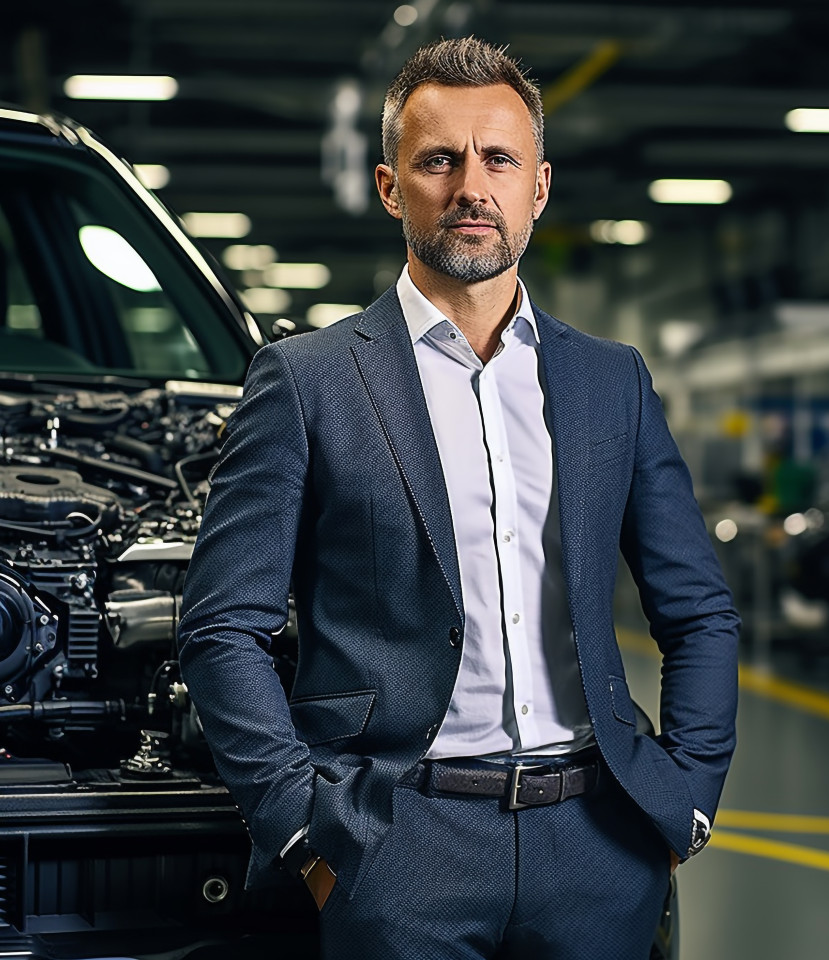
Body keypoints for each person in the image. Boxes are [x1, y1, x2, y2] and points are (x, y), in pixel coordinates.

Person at [178, 36, 739, 959]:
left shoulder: (612, 382)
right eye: (440, 159)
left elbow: (701, 611)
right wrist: (298, 829)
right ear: (393, 187)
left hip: (598, 840)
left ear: (540, 187)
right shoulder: (306, 382)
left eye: (500, 159)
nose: (472, 185)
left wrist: (686, 801)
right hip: (397, 846)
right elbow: (222, 626)